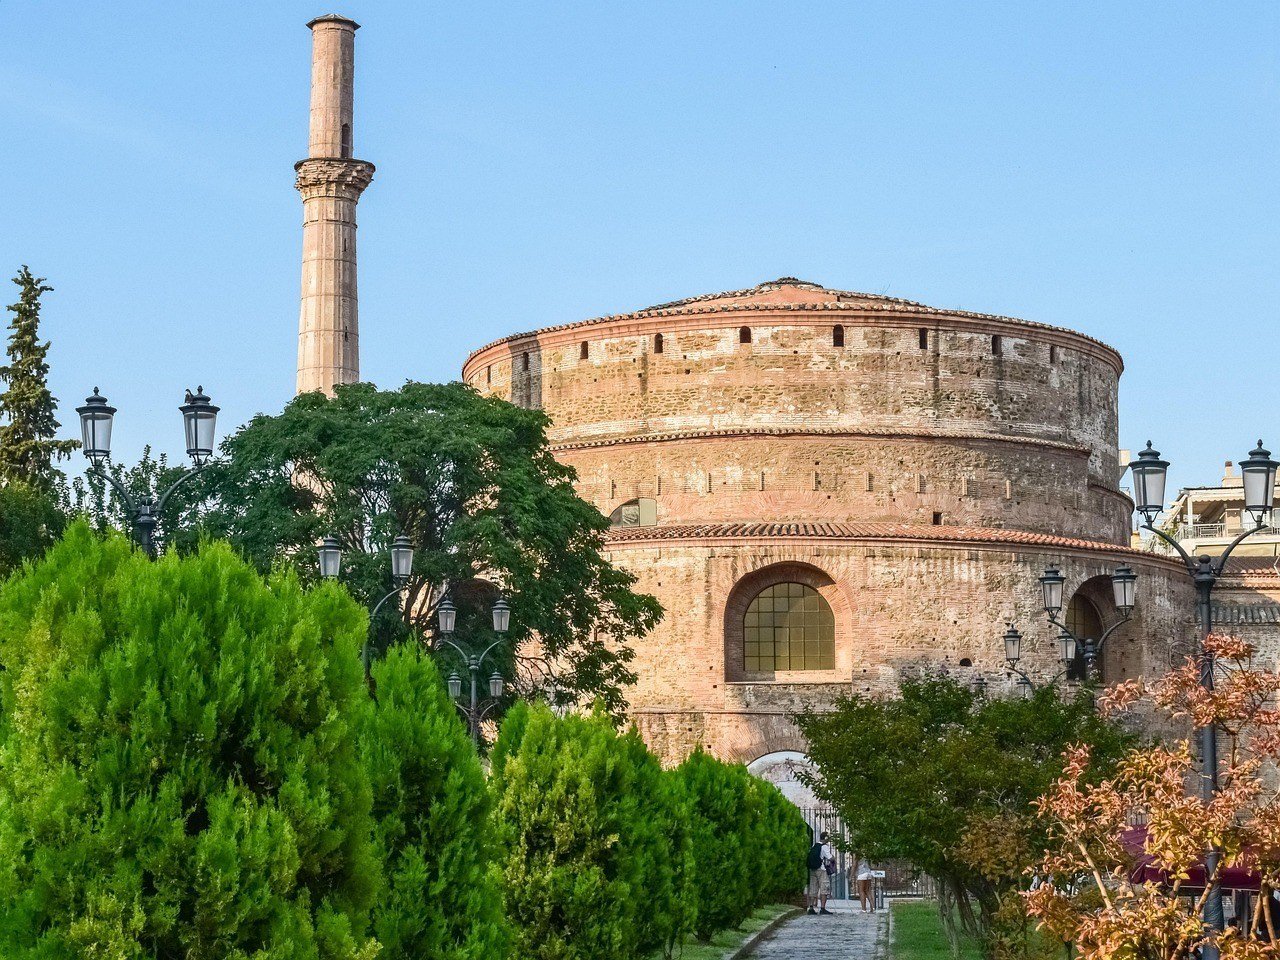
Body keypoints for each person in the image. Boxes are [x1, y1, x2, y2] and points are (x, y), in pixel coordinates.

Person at [806, 831, 835, 915]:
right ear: (826, 838)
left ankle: (811, 907)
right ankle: (822, 908)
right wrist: (833, 857)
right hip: (821, 869)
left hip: (813, 869)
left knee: (813, 888)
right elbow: (830, 858)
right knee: (824, 887)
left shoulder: (815, 845)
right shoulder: (824, 846)